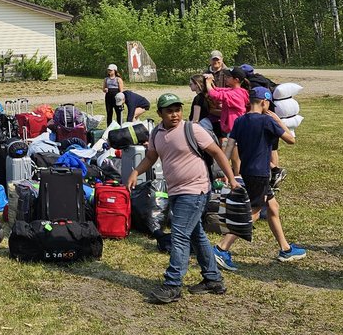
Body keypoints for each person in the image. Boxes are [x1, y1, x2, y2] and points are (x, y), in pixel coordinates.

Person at [127, 93, 237, 304]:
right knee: (196, 234)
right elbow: (151, 157)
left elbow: (217, 152)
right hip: (176, 191)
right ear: (160, 114)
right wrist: (135, 172)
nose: (175, 114)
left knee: (179, 235)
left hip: (196, 190)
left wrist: (231, 179)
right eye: (169, 111)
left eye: (177, 109)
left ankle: (172, 284)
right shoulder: (157, 133)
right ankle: (213, 279)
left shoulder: (192, 129)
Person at [212, 87, 305, 270]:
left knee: (273, 207)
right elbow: (291, 140)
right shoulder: (267, 121)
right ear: (264, 102)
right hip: (260, 174)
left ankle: (285, 249)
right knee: (253, 214)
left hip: (247, 172)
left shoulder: (239, 121)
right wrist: (278, 121)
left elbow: (229, 149)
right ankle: (222, 248)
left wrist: (226, 173)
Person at [204, 68, 249, 137]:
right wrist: (211, 79)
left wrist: (208, 83)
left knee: (234, 147)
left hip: (234, 128)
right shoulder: (236, 90)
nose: (225, 79)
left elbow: (215, 95)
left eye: (228, 77)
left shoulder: (235, 94)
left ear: (236, 80)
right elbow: (217, 89)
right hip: (233, 127)